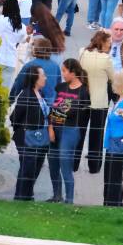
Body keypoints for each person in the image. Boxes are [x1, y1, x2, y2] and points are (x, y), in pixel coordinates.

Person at [48, 58, 89, 203]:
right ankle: (56, 195)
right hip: (55, 128)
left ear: (73, 72)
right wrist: (51, 127)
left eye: (65, 71)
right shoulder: (60, 87)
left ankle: (69, 200)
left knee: (65, 165)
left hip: (70, 130)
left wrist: (58, 111)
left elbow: (70, 111)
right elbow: (54, 108)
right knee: (53, 164)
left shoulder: (84, 91)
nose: (63, 74)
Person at [10, 66, 51, 201]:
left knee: (36, 166)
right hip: (27, 137)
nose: (45, 78)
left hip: (40, 138)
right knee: (27, 167)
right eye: (42, 75)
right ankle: (21, 196)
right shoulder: (26, 95)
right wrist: (22, 130)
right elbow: (14, 117)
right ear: (35, 78)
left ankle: (28, 194)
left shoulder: (42, 94)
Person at [77, 30, 113, 175]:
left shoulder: (82, 52)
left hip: (83, 98)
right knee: (96, 135)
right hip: (100, 101)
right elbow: (113, 78)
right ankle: (94, 166)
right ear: (103, 42)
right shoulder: (106, 59)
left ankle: (73, 163)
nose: (110, 45)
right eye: (109, 43)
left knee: (79, 132)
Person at [102, 69, 123, 206]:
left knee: (114, 176)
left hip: (120, 143)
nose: (112, 84)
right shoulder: (120, 98)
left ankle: (114, 203)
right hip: (113, 142)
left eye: (115, 82)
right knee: (109, 175)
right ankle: (108, 202)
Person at [0, 0, 27, 88]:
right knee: (4, 92)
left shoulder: (0, 20)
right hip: (11, 62)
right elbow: (22, 40)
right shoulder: (22, 27)